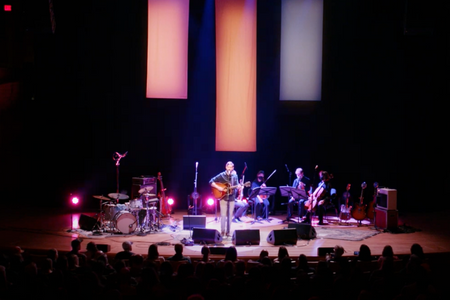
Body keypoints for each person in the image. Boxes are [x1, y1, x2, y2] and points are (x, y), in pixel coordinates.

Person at [209, 161, 243, 237]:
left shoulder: (235, 176)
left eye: (231, 167)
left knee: (230, 215)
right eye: (229, 167)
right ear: (226, 167)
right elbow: (211, 181)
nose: (230, 168)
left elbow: (236, 185)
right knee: (223, 215)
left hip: (231, 197)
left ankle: (228, 232)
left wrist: (239, 187)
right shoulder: (222, 175)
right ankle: (222, 231)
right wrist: (219, 188)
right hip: (223, 197)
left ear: (233, 168)